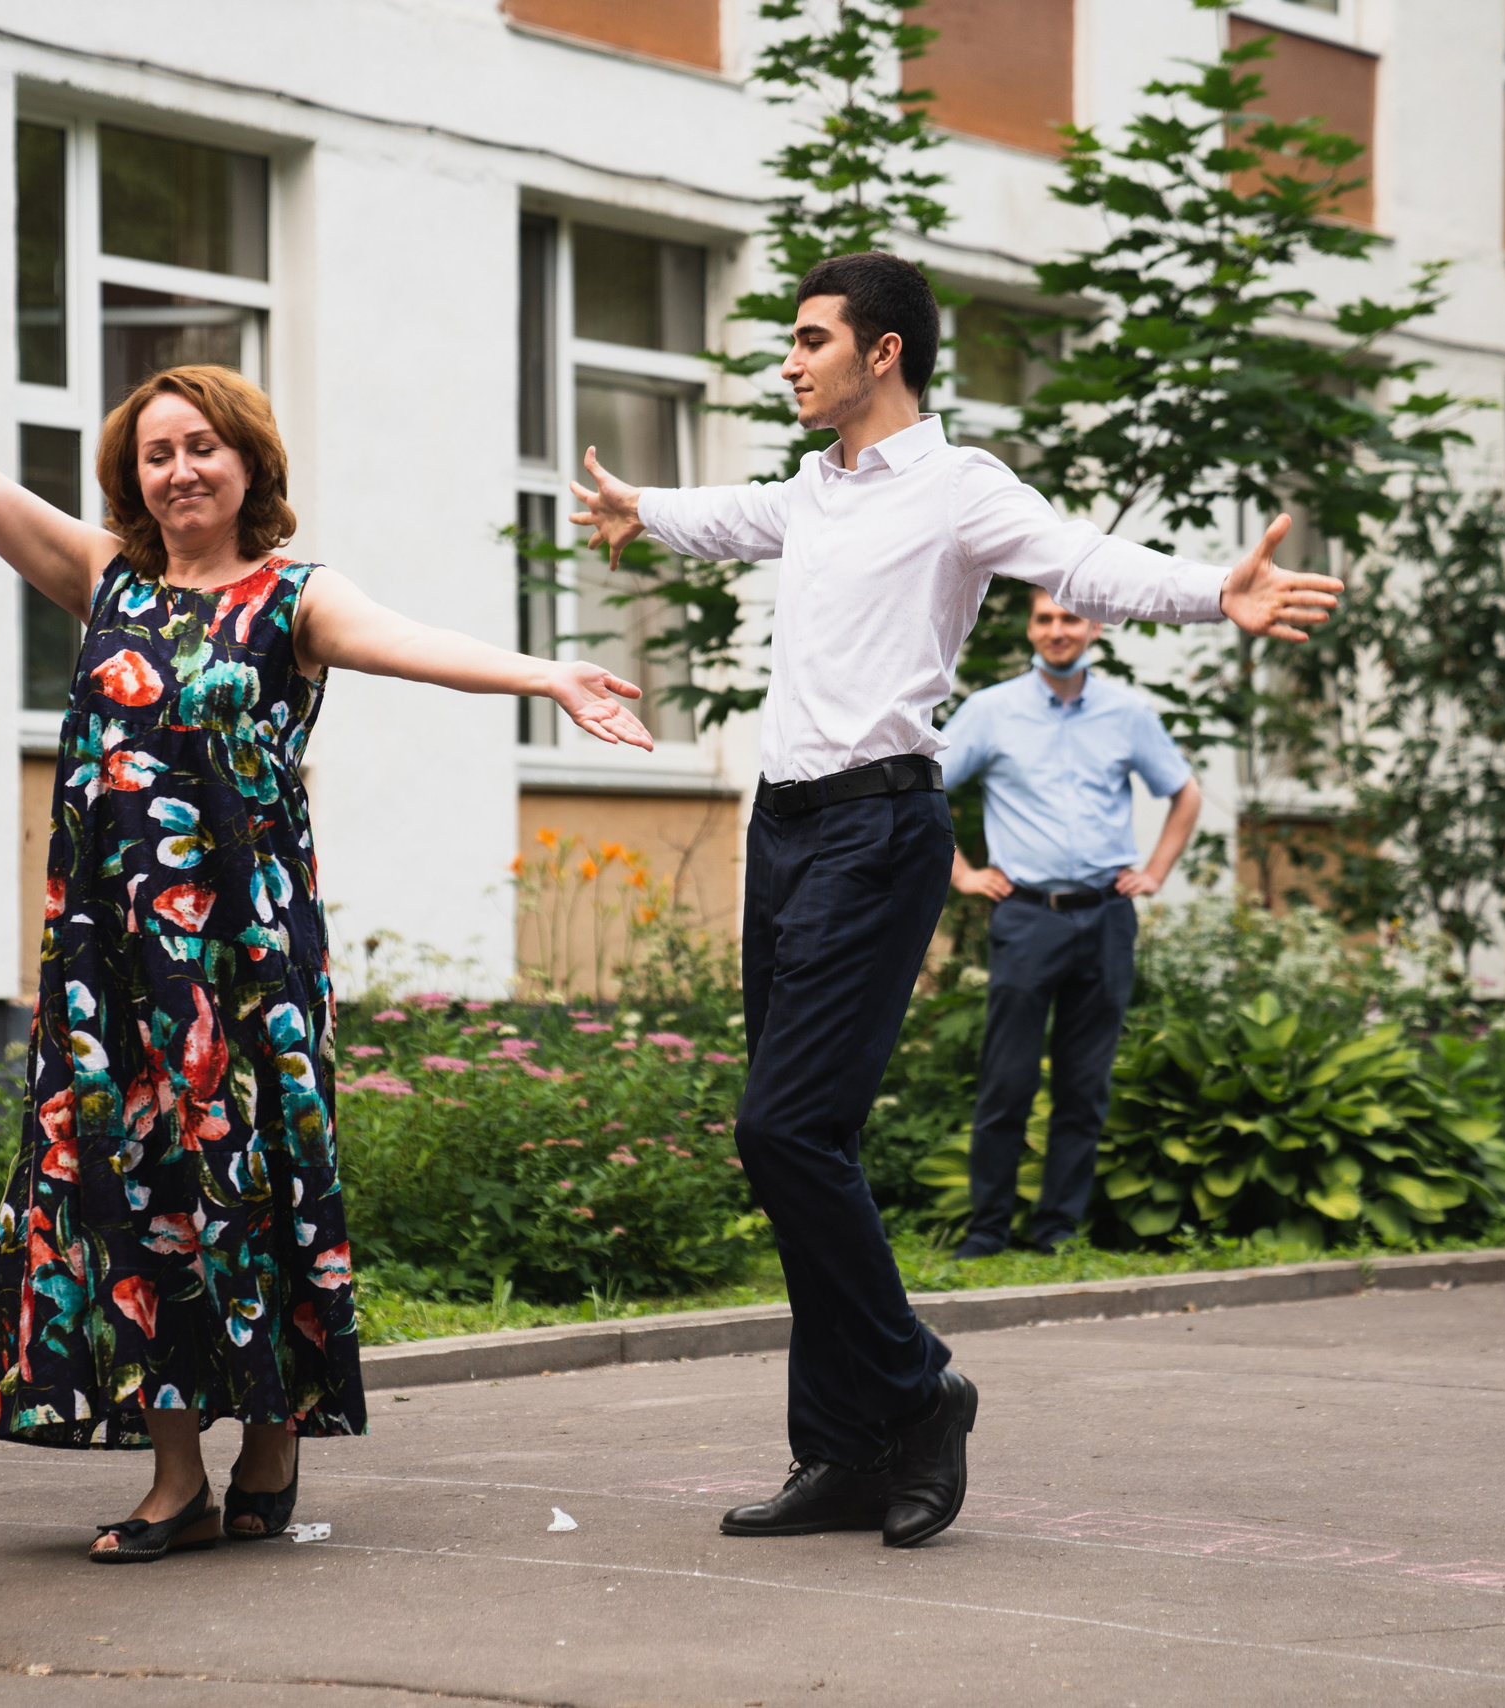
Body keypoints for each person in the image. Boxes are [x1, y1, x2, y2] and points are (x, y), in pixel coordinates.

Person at [0, 330, 652, 1564]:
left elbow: (422, 645)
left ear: (248, 461)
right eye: (155, 454)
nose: (177, 471)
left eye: (200, 447)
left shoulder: (294, 596)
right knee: (137, 1191)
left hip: (244, 965)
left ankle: (270, 1442)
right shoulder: (106, 579)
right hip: (109, 964)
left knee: (245, 1180)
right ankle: (176, 1479)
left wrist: (548, 678)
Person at [569, 250, 1336, 1549]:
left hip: (880, 824)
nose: (789, 358)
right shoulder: (815, 488)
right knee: (810, 1150)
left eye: (811, 339)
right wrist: (641, 504)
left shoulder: (959, 486)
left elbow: (1084, 566)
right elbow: (731, 513)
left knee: (786, 1133)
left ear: (883, 354)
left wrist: (1219, 592)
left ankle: (922, 1396)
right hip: (789, 827)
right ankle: (843, 1453)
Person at [939, 587, 1201, 1259]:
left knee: (1084, 1088)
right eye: (1045, 618)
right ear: (1031, 629)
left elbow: (1184, 791)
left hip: (1107, 920)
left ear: (1095, 628)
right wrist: (963, 873)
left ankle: (1056, 1231)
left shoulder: (1127, 714)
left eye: (1070, 619)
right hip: (1027, 918)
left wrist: (1156, 873)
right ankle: (988, 1232)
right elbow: (922, 786)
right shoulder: (990, 711)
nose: (1057, 630)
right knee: (1008, 1083)